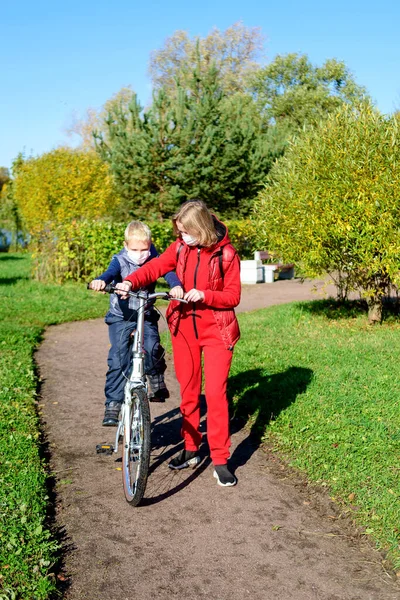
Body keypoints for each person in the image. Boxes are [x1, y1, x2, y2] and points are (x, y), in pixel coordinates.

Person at [116, 200, 241, 487]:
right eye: (180, 231)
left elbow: (233, 296)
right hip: (183, 329)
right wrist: (130, 282)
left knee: (216, 394)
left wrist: (205, 295)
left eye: (186, 231)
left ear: (201, 228)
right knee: (189, 391)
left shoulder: (226, 253)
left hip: (217, 332)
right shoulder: (181, 247)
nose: (182, 236)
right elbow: (156, 266)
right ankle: (191, 449)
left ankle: (221, 460)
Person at [89, 221, 183, 426]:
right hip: (121, 318)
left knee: (152, 347)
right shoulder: (120, 260)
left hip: (145, 314)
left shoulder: (154, 259)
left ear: (150, 245)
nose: (140, 253)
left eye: (144, 249)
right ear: (125, 245)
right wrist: (101, 281)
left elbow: (169, 274)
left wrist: (176, 286)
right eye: (134, 249)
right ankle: (113, 404)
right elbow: (110, 274)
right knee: (118, 358)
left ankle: (156, 379)